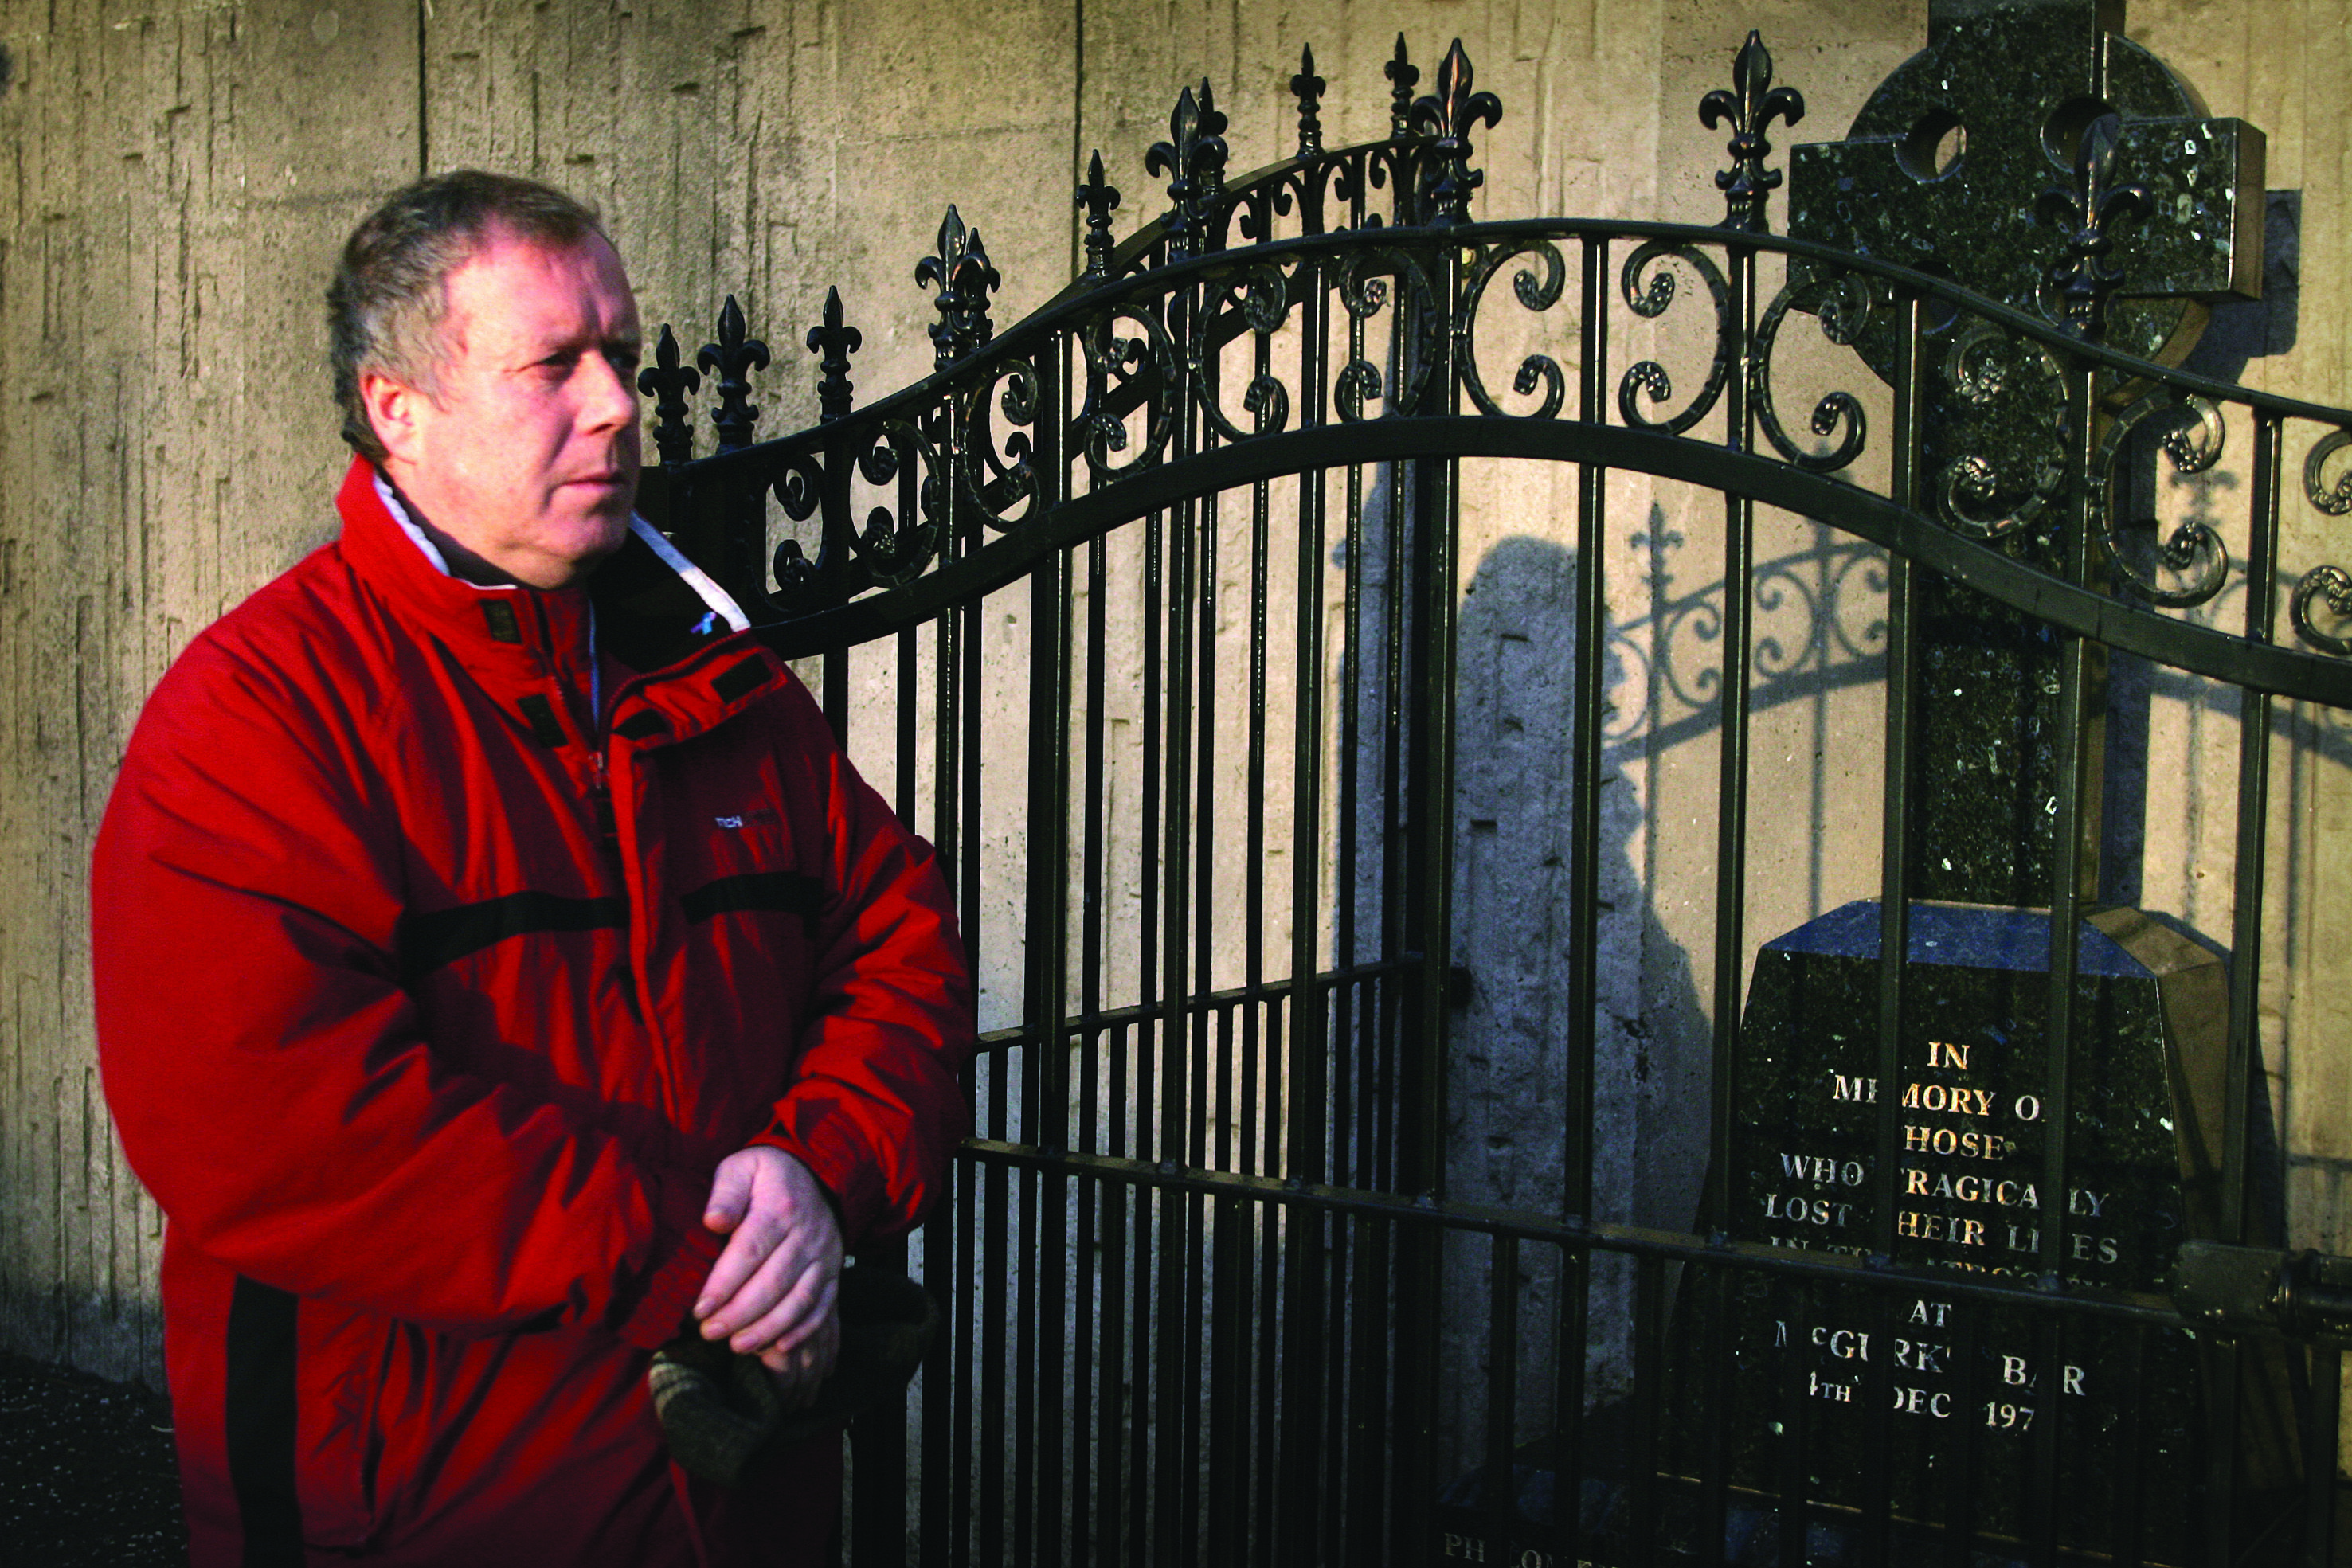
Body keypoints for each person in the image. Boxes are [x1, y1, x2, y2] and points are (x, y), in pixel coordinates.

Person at [89, 170, 974, 1566]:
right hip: (425, 1512)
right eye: (553, 363)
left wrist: (820, 1172)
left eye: (617, 350)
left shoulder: (719, 682)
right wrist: (708, 1258)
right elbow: (276, 1126)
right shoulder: (259, 718)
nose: (619, 401)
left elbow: (901, 940)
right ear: (400, 411)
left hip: (743, 1497)